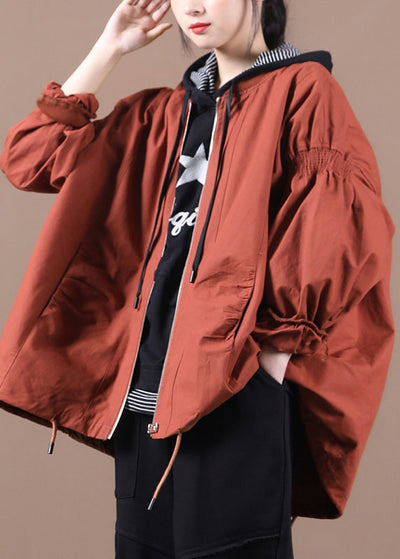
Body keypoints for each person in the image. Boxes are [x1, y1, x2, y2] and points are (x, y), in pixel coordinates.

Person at [0, 0, 395, 558]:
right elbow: (30, 157)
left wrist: (267, 366)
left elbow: (332, 233)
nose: (193, 5)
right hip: (143, 404)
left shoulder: (304, 91)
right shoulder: (158, 115)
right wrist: (110, 47)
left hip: (233, 396)